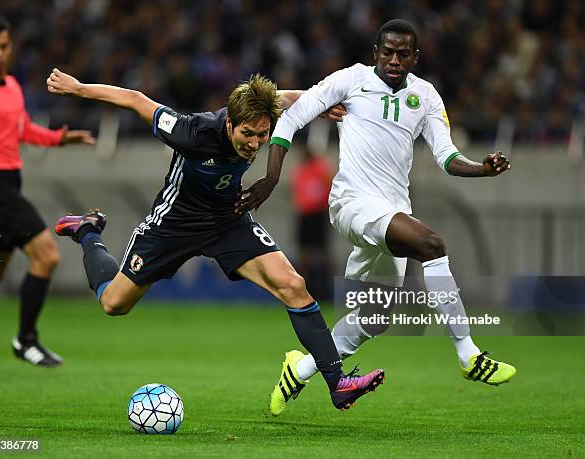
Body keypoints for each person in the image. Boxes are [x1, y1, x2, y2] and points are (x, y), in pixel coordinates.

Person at [46, 68, 385, 410]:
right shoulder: (192, 131)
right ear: (228, 125)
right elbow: (136, 99)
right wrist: (79, 89)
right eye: (247, 134)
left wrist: (319, 104)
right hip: (174, 223)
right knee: (114, 304)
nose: (254, 144)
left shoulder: (263, 110)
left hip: (227, 220)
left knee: (292, 284)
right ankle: (88, 230)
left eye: (263, 134)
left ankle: (337, 383)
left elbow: (288, 97)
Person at [231, 18, 518, 416]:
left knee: (375, 316)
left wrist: (482, 169)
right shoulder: (350, 80)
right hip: (351, 203)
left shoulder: (427, 96)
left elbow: (447, 157)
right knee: (432, 245)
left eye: (403, 53)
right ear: (376, 53)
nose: (395, 60)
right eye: (388, 52)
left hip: (393, 211)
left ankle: (299, 369)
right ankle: (468, 354)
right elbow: (292, 117)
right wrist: (272, 176)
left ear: (415, 57)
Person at [0, 16, 95, 367]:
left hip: (9, 182)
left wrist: (59, 139)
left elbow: (22, 129)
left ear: (10, 47)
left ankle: (25, 340)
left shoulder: (11, 85)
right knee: (47, 256)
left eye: (3, 46)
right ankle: (26, 341)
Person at [290, 148, 333, 300]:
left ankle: (323, 288)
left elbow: (328, 186)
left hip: (317, 214)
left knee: (320, 252)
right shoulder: (301, 170)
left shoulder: (320, 168)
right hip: (305, 214)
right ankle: (305, 288)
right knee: (304, 252)